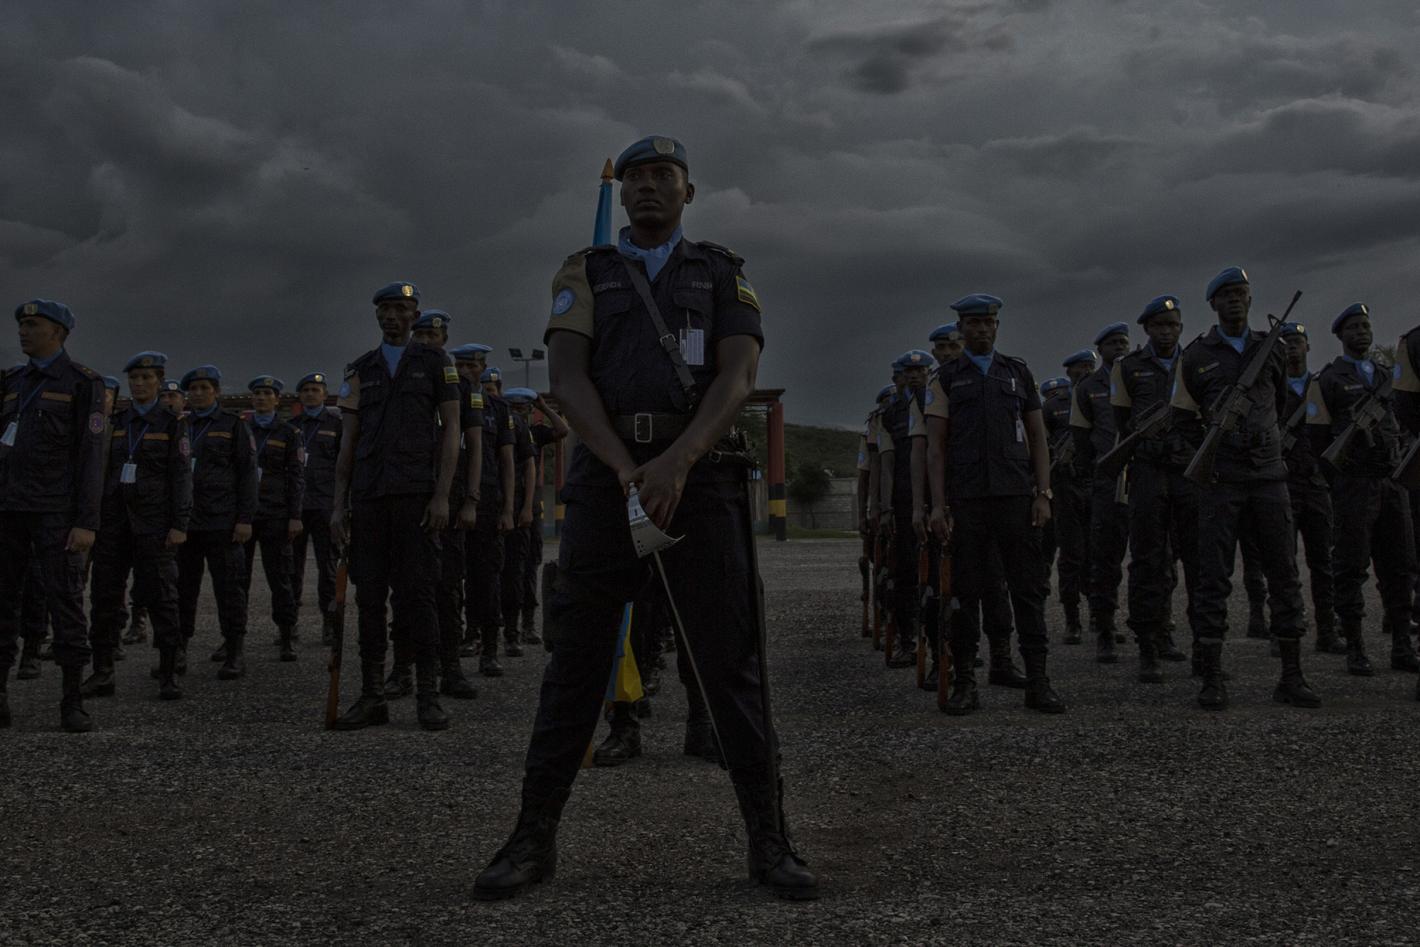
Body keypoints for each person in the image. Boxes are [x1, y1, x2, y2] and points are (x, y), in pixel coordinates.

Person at [473, 136, 816, 901]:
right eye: (636, 178)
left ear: (688, 193)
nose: (648, 186)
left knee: (731, 665)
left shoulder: (720, 271)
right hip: (608, 483)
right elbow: (567, 378)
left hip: (701, 480)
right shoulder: (586, 270)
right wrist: (628, 468)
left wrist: (677, 462)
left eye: (665, 175)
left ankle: (770, 838)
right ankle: (532, 837)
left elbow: (739, 373)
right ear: (622, 194)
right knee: (575, 663)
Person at [1171, 266, 1320, 710]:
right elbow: (1183, 419)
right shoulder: (1196, 356)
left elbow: (1279, 405)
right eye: (1226, 295)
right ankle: (1212, 677)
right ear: (1213, 304)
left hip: (1269, 477)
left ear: (1251, 299)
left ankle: (1291, 675)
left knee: (1284, 574)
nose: (1234, 300)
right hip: (1222, 481)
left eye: (1241, 293)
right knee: (1213, 578)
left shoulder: (1270, 349)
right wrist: (1212, 452)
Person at [923, 293, 1066, 716]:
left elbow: (1038, 437)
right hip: (967, 500)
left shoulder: (1017, 373)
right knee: (965, 593)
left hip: (1015, 498)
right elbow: (936, 447)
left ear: (997, 326)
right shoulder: (946, 379)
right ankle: (966, 681)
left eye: (988, 322)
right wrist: (937, 505)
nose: (982, 329)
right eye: (973, 323)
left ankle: (1038, 681)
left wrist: (1043, 493)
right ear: (961, 329)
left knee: (1027, 591)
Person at [331, 281, 462, 732]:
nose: (392, 316)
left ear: (414, 316)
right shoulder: (361, 369)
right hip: (370, 496)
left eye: (401, 309)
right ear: (377, 315)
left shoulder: (436, 363)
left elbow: (451, 431)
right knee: (369, 598)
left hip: (416, 496)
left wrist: (443, 494)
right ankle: (372, 697)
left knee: (419, 595)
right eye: (385, 309)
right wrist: (338, 505)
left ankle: (427, 696)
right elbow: (348, 443)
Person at [0, 300, 106, 732]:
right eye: (21, 324)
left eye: (32, 324)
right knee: (3, 603)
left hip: (56, 513)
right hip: (9, 510)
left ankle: (72, 699)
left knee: (65, 602)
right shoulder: (12, 382)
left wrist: (86, 521)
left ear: (58, 332)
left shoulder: (82, 383)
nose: (22, 331)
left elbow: (92, 456)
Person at [1305, 303, 1418, 676]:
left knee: (1400, 566)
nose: (1361, 332)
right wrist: (1342, 480)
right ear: (1340, 335)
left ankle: (1402, 645)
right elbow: (1318, 440)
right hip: (1354, 485)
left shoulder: (1387, 375)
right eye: (1353, 327)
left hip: (1391, 481)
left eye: (1365, 326)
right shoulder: (1328, 380)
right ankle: (1355, 646)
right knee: (1350, 566)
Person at [86, 351, 192, 701]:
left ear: (159, 382)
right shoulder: (117, 422)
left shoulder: (172, 424)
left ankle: (168, 671)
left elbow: (181, 477)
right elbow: (100, 470)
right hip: (114, 523)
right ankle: (103, 672)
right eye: (134, 378)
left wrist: (179, 523)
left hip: (154, 524)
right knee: (104, 598)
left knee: (162, 598)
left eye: (147, 378)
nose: (139, 384)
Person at [1110, 295, 1201, 682]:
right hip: (1148, 471)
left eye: (1173, 325)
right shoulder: (1128, 367)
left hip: (1188, 470)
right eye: (1160, 325)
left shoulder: (1194, 361)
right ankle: (1148, 645)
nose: (1167, 332)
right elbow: (1122, 421)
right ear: (1147, 329)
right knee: (1148, 560)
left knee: (1197, 560)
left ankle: (1201, 647)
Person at [403, 311, 482, 701]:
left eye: (431, 336)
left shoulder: (462, 388)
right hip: (410, 493)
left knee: (448, 587)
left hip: (448, 498)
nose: (424, 342)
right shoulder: (402, 379)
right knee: (406, 588)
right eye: (419, 335)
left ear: (444, 340)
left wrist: (470, 500)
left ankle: (450, 668)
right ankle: (403, 668)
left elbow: (475, 446)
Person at [176, 365, 257, 679]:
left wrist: (245, 519)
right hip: (186, 523)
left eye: (204, 388)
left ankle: (234, 650)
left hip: (222, 522)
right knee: (182, 590)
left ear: (217, 392)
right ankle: (178, 650)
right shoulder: (180, 426)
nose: (198, 393)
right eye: (193, 389)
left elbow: (247, 474)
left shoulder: (233, 425)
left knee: (229, 590)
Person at [1278, 323, 1343, 655]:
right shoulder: (1272, 388)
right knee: (1283, 563)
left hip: (1316, 482)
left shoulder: (1321, 386)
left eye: (1297, 341)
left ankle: (1327, 629)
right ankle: (1284, 629)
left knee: (1323, 562)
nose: (1292, 347)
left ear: (1308, 346)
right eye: (1287, 342)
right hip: (1283, 483)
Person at [451, 344, 516, 675]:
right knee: (449, 576)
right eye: (459, 366)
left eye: (471, 366)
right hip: (451, 495)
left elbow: (507, 462)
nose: (465, 372)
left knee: (485, 577)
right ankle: (459, 640)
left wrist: (508, 509)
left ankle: (490, 648)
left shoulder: (498, 408)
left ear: (483, 367)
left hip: (488, 499)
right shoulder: (446, 401)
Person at [1071, 323, 1132, 660]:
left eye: (1123, 342)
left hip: (1143, 476)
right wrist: (1092, 475)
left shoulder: (1138, 375)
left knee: (1156, 558)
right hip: (1107, 480)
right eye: (1112, 343)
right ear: (1100, 349)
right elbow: (1081, 439)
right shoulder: (1088, 388)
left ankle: (1157, 631)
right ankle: (1105, 629)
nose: (1119, 347)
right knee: (1105, 559)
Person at [243, 376, 305, 662]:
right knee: (236, 580)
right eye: (257, 393)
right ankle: (233, 639)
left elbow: (297, 476)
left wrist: (295, 515)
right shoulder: (242, 429)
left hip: (275, 514)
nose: (261, 398)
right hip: (245, 515)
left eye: (267, 393)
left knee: (280, 579)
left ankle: (286, 635)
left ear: (277, 399)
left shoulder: (289, 432)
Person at [483, 369, 537, 659]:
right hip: (484, 506)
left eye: (491, 388)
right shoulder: (467, 414)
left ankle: (512, 634)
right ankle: (477, 634)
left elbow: (528, 465)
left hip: (513, 507)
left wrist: (526, 507)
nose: (486, 393)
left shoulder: (512, 421)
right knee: (483, 576)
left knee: (514, 574)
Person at [290, 372, 343, 646]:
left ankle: (330, 623)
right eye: (306, 390)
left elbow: (345, 466)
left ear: (324, 394)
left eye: (315, 389)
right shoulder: (290, 426)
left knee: (328, 568)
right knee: (291, 568)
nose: (311, 394)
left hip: (325, 505)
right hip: (296, 508)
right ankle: (289, 625)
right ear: (300, 395)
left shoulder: (336, 425)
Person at [513, 389, 569, 643]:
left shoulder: (535, 433)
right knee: (506, 570)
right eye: (513, 408)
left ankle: (527, 624)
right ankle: (508, 627)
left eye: (522, 409)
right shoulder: (499, 429)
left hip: (531, 507)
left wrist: (544, 408)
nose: (518, 413)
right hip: (505, 504)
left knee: (529, 566)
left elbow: (562, 431)